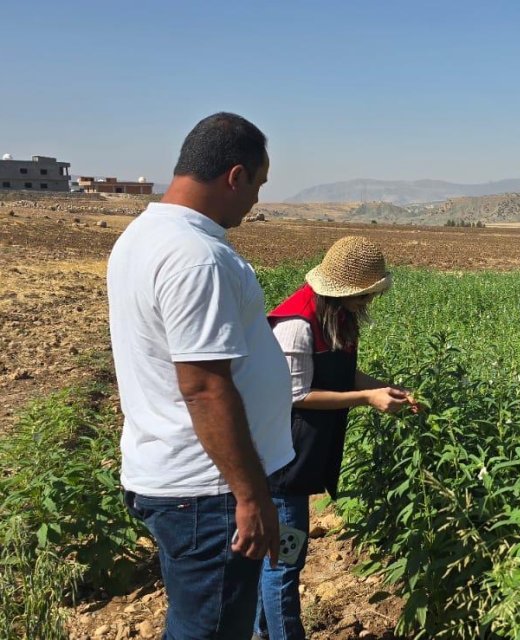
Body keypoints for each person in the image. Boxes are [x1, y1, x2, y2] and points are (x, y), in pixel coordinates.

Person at [107, 112, 293, 638]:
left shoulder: (143, 237)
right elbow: (205, 386)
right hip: (208, 493)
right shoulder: (195, 256)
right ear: (235, 176)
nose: (256, 199)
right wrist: (251, 497)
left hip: (189, 486)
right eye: (257, 183)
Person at [255, 236, 417, 639]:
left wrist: (385, 387)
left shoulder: (335, 318)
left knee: (275, 558)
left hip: (299, 458)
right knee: (283, 564)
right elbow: (298, 394)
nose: (369, 303)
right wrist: (366, 398)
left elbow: (338, 374)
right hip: (280, 467)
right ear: (347, 291)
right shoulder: (296, 325)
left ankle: (257, 632)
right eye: (365, 295)